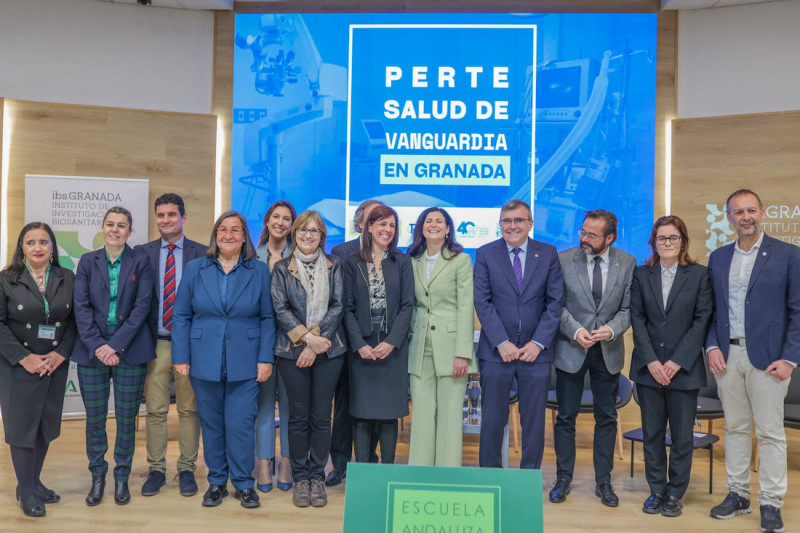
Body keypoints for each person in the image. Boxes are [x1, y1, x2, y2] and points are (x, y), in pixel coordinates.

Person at [705, 189, 799, 533]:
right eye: (738, 212)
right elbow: (711, 312)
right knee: (736, 429)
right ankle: (739, 495)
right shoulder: (717, 257)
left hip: (770, 360)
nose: (745, 217)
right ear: (729, 218)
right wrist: (712, 347)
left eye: (751, 210)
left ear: (762, 213)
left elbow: (798, 311)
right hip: (727, 358)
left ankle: (771, 502)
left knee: (771, 433)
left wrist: (790, 358)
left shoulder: (789, 255)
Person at [172, 210, 276, 510]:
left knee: (241, 424)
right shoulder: (195, 269)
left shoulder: (258, 270)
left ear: (244, 236)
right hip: (204, 358)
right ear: (215, 235)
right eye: (222, 229)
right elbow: (181, 314)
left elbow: (268, 317)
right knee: (212, 424)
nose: (228, 235)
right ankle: (217, 482)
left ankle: (244, 484)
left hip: (246, 360)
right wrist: (180, 356)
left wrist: (265, 358)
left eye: (235, 229)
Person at [550, 210, 635, 507]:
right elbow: (555, 305)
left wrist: (611, 330)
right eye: (583, 232)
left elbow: (628, 309)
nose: (584, 238)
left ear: (610, 238)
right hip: (571, 349)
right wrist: (575, 331)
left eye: (592, 235)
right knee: (565, 417)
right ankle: (562, 478)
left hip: (608, 352)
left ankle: (604, 481)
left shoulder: (628, 263)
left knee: (607, 418)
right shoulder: (562, 260)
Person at [630, 215, 712, 517]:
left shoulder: (700, 275)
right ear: (654, 242)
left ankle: (676, 492)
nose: (667, 243)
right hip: (648, 369)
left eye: (673, 238)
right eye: (661, 238)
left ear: (683, 242)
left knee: (681, 436)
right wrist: (652, 360)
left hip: (684, 370)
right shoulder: (641, 275)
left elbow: (702, 320)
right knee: (651, 433)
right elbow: (637, 319)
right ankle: (656, 491)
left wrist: (676, 362)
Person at [73, 206, 156, 507]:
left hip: (129, 349)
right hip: (92, 349)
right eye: (110, 224)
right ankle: (98, 477)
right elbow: (80, 308)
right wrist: (99, 345)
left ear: (130, 231)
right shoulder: (86, 261)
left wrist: (115, 345)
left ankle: (122, 477)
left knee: (125, 419)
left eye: (122, 225)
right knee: (95, 420)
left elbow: (141, 309)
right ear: (103, 227)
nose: (115, 230)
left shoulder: (141, 261)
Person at [474, 199, 563, 470]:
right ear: (500, 224)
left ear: (530, 224)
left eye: (519, 220)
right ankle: (490, 476)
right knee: (492, 420)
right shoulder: (486, 253)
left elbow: (555, 302)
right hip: (495, 353)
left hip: (535, 355)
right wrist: (502, 342)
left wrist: (537, 343)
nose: (512, 226)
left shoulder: (547, 253)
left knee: (533, 422)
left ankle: (528, 480)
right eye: (507, 221)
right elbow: (482, 301)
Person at [0, 223, 76, 517]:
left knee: (45, 426)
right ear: (21, 248)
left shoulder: (66, 277)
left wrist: (61, 353)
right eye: (30, 243)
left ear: (53, 247)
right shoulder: (7, 279)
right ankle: (27, 491)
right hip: (19, 365)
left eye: (44, 242)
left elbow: (74, 321)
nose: (38, 247)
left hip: (54, 364)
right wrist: (23, 357)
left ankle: (32, 481)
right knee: (22, 428)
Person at [271, 210, 346, 508]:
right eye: (303, 230)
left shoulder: (335, 265)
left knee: (320, 417)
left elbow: (338, 306)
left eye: (314, 231)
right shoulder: (280, 269)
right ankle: (300, 478)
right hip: (291, 352)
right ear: (294, 234)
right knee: (298, 417)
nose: (307, 235)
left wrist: (315, 344)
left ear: (322, 236)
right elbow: (280, 309)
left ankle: (318, 476)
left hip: (329, 350)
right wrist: (306, 339)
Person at [135, 193, 206, 498]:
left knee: (190, 410)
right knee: (155, 411)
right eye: (160, 215)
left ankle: (187, 468)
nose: (165, 220)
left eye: (171, 215)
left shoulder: (203, 254)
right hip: (157, 343)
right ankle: (156, 470)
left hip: (190, 344)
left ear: (183, 217)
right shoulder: (141, 253)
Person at [342, 205, 414, 465]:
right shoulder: (352, 262)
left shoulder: (402, 262)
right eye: (382, 224)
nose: (388, 230)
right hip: (362, 347)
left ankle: (388, 472)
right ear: (369, 227)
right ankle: (362, 472)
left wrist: (392, 342)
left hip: (392, 347)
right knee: (361, 412)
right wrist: (359, 345)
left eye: (392, 225)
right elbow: (346, 308)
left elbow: (408, 306)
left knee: (388, 412)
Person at [406, 207, 475, 467]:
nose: (433, 224)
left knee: (449, 414)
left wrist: (462, 354)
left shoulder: (461, 260)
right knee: (422, 415)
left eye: (439, 221)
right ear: (421, 227)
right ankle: (420, 471)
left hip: (451, 347)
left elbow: (466, 307)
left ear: (448, 229)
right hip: (419, 342)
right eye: (428, 221)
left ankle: (448, 472)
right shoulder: (411, 259)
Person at [326, 198, 384, 486]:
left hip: (380, 348)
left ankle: (369, 463)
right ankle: (339, 465)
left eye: (383, 219)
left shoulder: (393, 253)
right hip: (348, 345)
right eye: (372, 218)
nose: (377, 224)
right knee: (345, 406)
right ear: (360, 223)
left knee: (374, 407)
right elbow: (338, 303)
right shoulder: (341, 252)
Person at [254, 200, 296, 492]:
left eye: (287, 219)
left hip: (293, 342)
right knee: (264, 406)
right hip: (260, 343)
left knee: (292, 408)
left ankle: (287, 462)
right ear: (267, 221)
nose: (280, 222)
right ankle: (265, 462)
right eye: (276, 217)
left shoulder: (303, 256)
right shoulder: (250, 256)